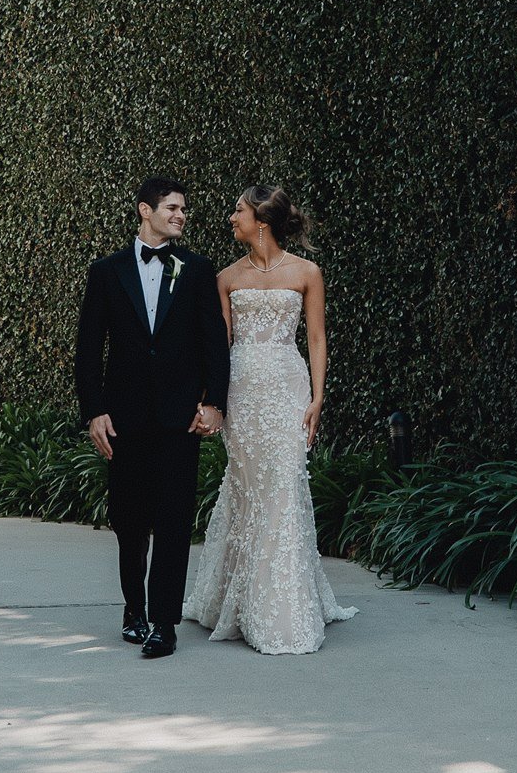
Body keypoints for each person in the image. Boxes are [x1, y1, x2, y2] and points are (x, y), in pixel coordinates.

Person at [185, 184, 358, 654]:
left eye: (237, 210)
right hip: (241, 392)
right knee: (248, 486)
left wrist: (318, 399)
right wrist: (210, 401)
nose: (230, 218)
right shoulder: (225, 278)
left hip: (286, 388)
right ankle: (235, 597)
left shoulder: (307, 272)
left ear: (261, 219)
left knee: (284, 484)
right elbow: (217, 349)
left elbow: (317, 339)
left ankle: (282, 608)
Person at [74, 175, 231, 659]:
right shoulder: (106, 272)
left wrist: (214, 403)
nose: (181, 215)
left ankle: (164, 623)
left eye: (184, 209)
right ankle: (133, 609)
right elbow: (87, 349)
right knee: (128, 520)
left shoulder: (198, 270)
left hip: (178, 419)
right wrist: (94, 411)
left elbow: (214, 344)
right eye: (172, 208)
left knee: (173, 520)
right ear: (145, 211)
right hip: (124, 419)